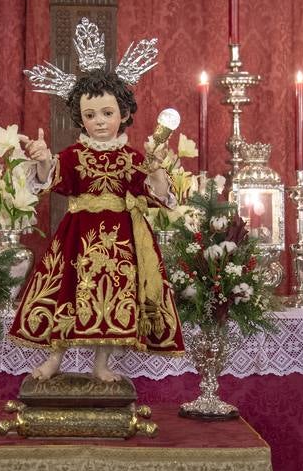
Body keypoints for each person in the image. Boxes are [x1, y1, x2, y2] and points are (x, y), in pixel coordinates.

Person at [9, 69, 184, 381]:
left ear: (124, 114)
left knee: (113, 299)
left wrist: (156, 166)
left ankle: (101, 364)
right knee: (66, 295)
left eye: (107, 113)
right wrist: (42, 159)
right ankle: (55, 357)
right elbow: (51, 177)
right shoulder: (74, 156)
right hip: (77, 238)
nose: (100, 121)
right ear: (80, 119)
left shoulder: (133, 158)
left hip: (122, 243)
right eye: (90, 115)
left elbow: (159, 195)